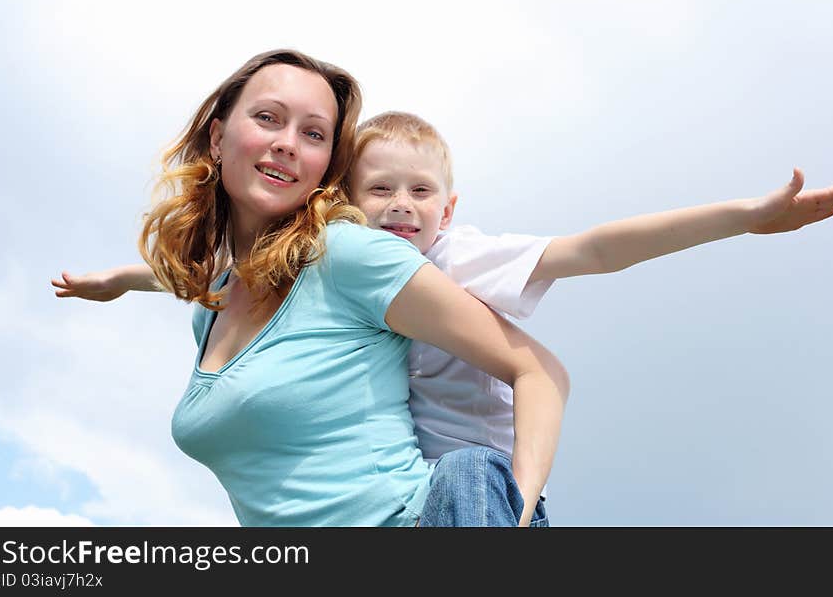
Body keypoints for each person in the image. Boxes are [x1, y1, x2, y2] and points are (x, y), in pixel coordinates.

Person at [53, 50, 570, 527]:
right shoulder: (212, 307)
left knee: (470, 469)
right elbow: (195, 273)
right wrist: (119, 280)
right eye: (268, 118)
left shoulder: (349, 255)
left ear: (327, 168)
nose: (287, 142)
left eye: (315, 134)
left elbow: (538, 371)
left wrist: (512, 514)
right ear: (217, 137)